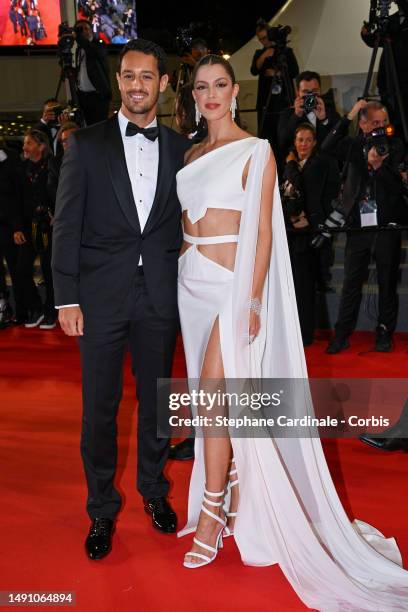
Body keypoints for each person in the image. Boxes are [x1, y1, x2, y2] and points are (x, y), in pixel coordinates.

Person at [176, 54, 408, 610]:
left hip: (234, 286)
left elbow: (261, 230)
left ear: (236, 91)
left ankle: (212, 515)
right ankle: (228, 494)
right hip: (190, 284)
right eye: (201, 87)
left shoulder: (256, 150)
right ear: (193, 95)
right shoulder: (189, 153)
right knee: (212, 402)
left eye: (220, 85)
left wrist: (253, 298)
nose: (211, 95)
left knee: (213, 400)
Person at [52, 38, 190, 560]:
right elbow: (66, 226)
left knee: (157, 405)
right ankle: (101, 510)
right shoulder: (86, 145)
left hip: (159, 296)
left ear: (163, 82)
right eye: (129, 76)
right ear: (120, 81)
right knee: (100, 411)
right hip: (100, 298)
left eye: (146, 77)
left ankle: (154, 492)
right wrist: (66, 298)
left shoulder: (181, 149)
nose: (137, 85)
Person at [323, 100, 406, 354]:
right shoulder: (353, 145)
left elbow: (399, 189)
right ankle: (342, 333)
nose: (381, 128)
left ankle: (384, 332)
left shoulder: (395, 146)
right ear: (363, 124)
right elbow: (327, 146)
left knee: (387, 282)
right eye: (375, 123)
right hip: (358, 226)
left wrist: (379, 167)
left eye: (384, 122)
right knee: (350, 283)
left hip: (386, 226)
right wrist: (347, 115)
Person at [281, 124, 340, 346]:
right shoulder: (292, 165)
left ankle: (305, 334)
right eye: (300, 140)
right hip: (294, 234)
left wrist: (290, 166)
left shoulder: (320, 163)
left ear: (314, 142)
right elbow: (288, 195)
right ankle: (300, 332)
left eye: (307, 140)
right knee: (298, 286)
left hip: (313, 232)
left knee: (307, 287)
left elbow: (307, 191)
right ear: (294, 143)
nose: (303, 144)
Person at [14, 129, 56, 329]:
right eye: (24, 144)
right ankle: (36, 308)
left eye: (28, 143)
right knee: (21, 270)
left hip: (49, 227)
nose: (24, 148)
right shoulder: (21, 169)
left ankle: (51, 312)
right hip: (27, 226)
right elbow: (16, 200)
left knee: (49, 272)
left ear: (41, 146)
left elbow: (59, 192)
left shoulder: (52, 165)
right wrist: (18, 228)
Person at [250, 19, 299, 157]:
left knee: (284, 138)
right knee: (266, 139)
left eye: (265, 37)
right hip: (266, 103)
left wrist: (277, 73)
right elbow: (254, 70)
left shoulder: (286, 51)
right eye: (260, 39)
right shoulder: (259, 54)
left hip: (284, 102)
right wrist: (265, 54)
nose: (263, 41)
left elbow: (295, 71)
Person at [278, 70, 341, 158]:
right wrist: (296, 116)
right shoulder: (288, 114)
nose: (310, 96)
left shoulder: (331, 113)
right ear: (298, 93)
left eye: (314, 91)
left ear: (320, 90)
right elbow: (282, 143)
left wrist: (324, 120)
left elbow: (340, 141)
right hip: (299, 165)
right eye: (305, 92)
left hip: (326, 164)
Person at [74, 19, 112, 125]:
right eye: (80, 29)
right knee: (86, 129)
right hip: (83, 97)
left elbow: (94, 52)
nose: (83, 31)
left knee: (98, 130)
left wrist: (79, 38)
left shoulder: (99, 44)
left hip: (98, 97)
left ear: (91, 30)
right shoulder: (79, 49)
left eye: (86, 28)